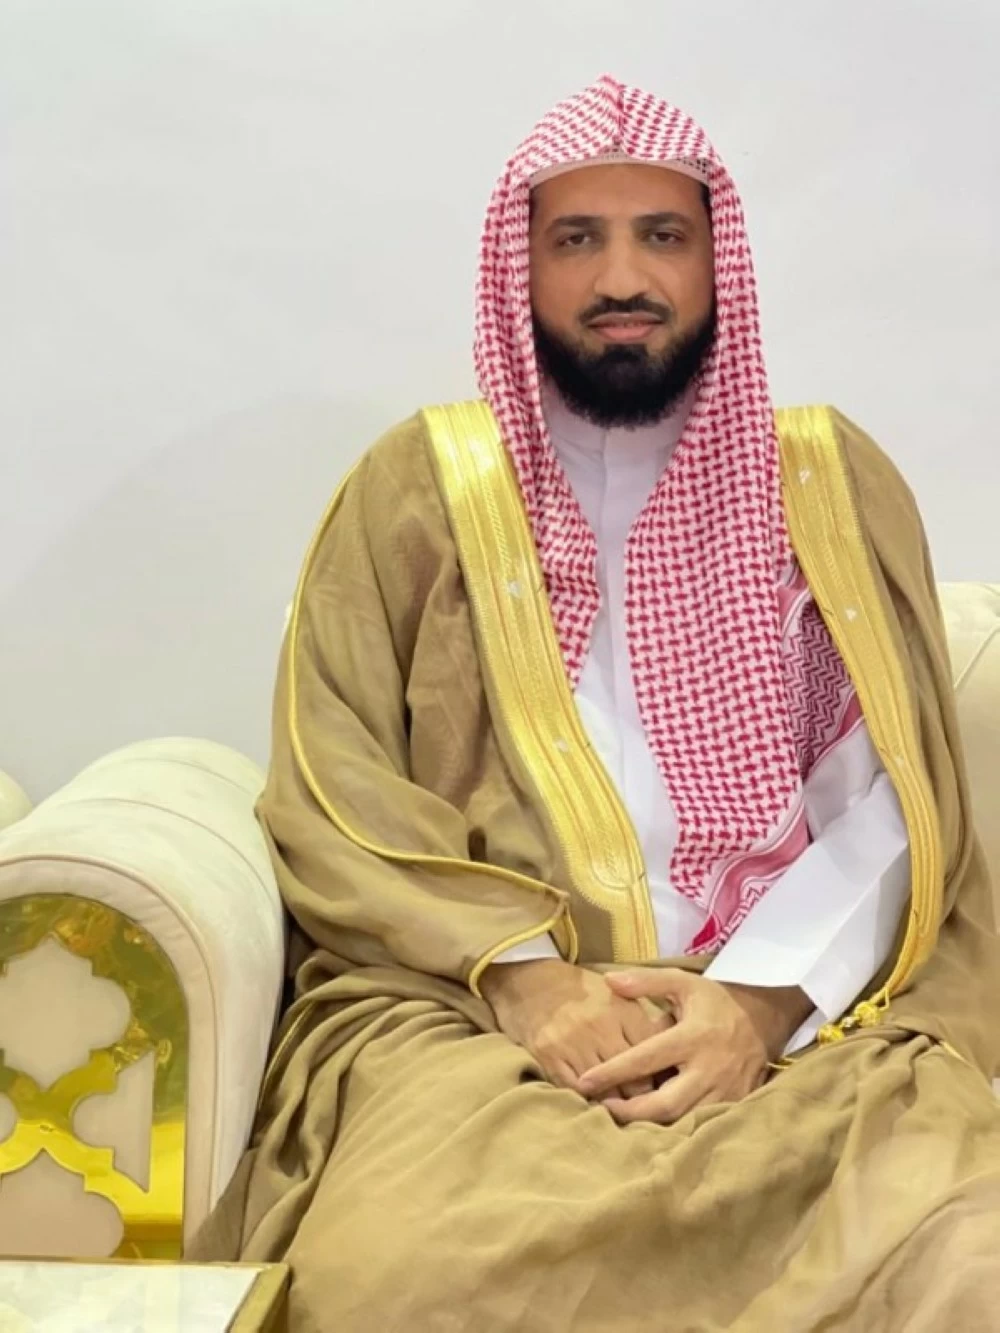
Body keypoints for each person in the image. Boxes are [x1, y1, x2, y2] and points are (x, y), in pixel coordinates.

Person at [194, 76, 1000, 1329]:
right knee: (387, 1281)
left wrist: (758, 1002)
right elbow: (335, 787)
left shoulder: (828, 487)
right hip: (475, 1018)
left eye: (660, 235)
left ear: (716, 261)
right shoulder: (415, 490)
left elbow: (897, 808)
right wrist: (527, 983)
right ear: (519, 269)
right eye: (577, 238)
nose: (622, 277)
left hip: (805, 1026)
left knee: (964, 1261)